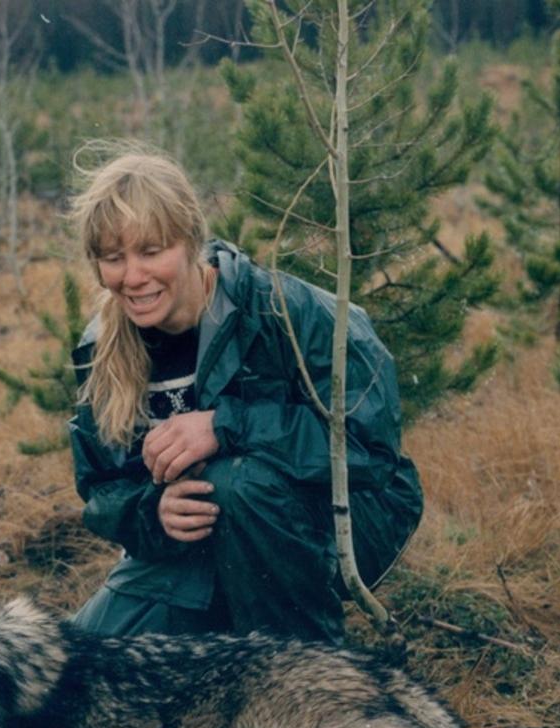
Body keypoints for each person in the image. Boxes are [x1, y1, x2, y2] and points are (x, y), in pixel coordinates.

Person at [68, 148, 422, 644]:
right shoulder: (101, 347)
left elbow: (369, 453)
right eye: (113, 258)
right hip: (200, 542)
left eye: (151, 251)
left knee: (237, 484)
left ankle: (307, 676)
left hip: (345, 520)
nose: (133, 276)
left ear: (191, 240)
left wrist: (224, 425)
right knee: (85, 663)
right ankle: (233, 621)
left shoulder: (286, 313)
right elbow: (102, 487)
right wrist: (154, 511)